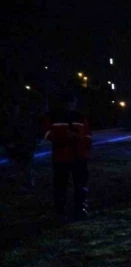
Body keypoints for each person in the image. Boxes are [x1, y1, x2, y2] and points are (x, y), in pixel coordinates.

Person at [42, 93, 92, 221]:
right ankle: (60, 211)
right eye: (68, 103)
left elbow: (87, 134)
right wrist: (65, 136)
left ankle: (80, 208)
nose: (70, 105)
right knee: (61, 185)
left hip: (77, 156)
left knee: (79, 184)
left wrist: (83, 144)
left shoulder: (80, 117)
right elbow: (47, 133)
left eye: (72, 103)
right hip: (62, 156)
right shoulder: (53, 116)